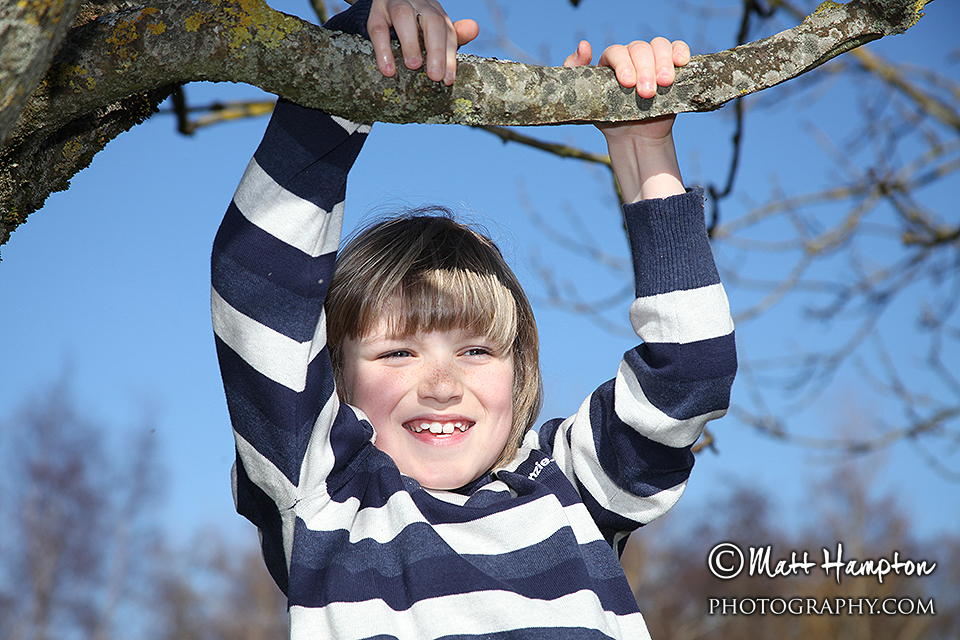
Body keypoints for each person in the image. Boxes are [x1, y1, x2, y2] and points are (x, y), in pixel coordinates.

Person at [210, 0, 737, 638]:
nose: (440, 384)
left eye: (476, 351)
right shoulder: (325, 495)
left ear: (519, 375)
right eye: (397, 353)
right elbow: (261, 273)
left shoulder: (569, 488)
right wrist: (353, 64)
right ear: (333, 381)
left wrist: (642, 147)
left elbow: (691, 371)